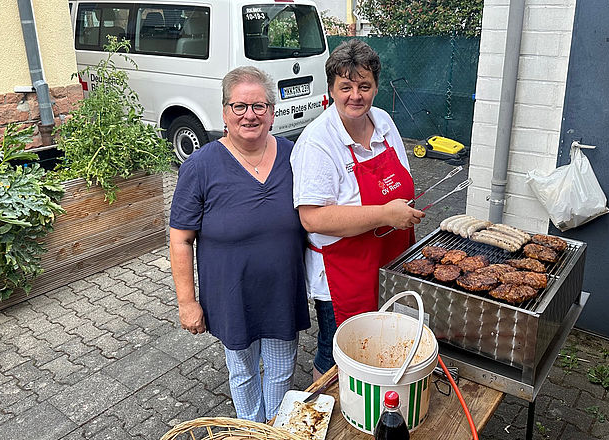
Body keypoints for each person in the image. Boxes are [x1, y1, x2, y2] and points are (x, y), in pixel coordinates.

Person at [169, 66, 310, 422]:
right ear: (224, 112)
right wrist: (187, 302)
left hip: (282, 291)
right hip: (232, 296)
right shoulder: (200, 166)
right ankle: (251, 427)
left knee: (281, 372)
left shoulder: (295, 157)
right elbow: (181, 238)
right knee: (243, 372)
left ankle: (274, 427)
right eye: (239, 106)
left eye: (260, 106)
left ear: (272, 113)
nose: (250, 115)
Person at [290, 39, 425, 381]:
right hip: (344, 274)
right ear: (331, 90)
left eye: (364, 86)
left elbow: (403, 184)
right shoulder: (318, 141)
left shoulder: (383, 122)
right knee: (339, 359)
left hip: (390, 263)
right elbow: (312, 217)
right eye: (345, 86)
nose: (356, 96)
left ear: (376, 88)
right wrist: (384, 215)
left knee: (383, 348)